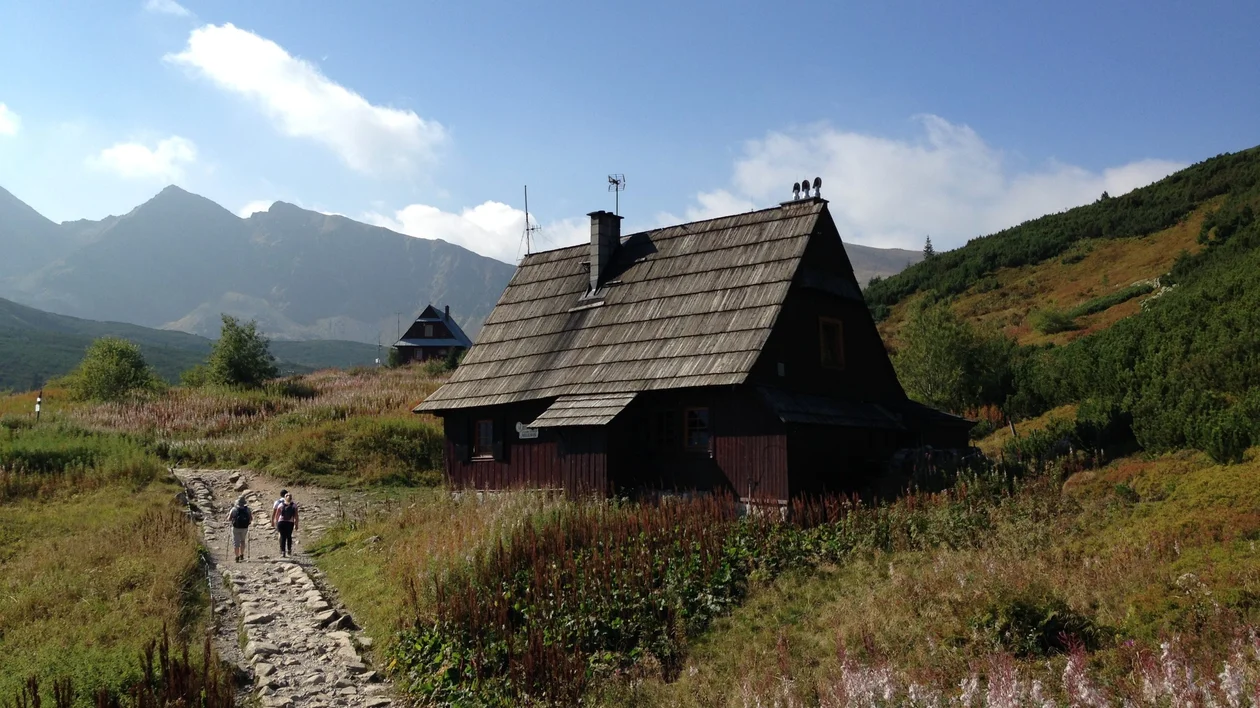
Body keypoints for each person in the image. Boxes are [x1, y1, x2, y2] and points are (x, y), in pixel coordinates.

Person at [226, 496, 252, 563]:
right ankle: (242, 555)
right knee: (242, 541)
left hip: (235, 528)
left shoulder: (234, 509)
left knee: (236, 543)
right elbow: (251, 519)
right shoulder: (247, 509)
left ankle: (237, 557)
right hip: (244, 528)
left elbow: (229, 518)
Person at [275, 492, 299, 558]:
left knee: (283, 537)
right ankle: (289, 550)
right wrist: (296, 524)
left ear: (285, 498)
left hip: (281, 522)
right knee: (289, 536)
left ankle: (283, 552)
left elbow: (277, 515)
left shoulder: (280, 505)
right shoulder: (294, 505)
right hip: (290, 522)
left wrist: (276, 523)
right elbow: (296, 516)